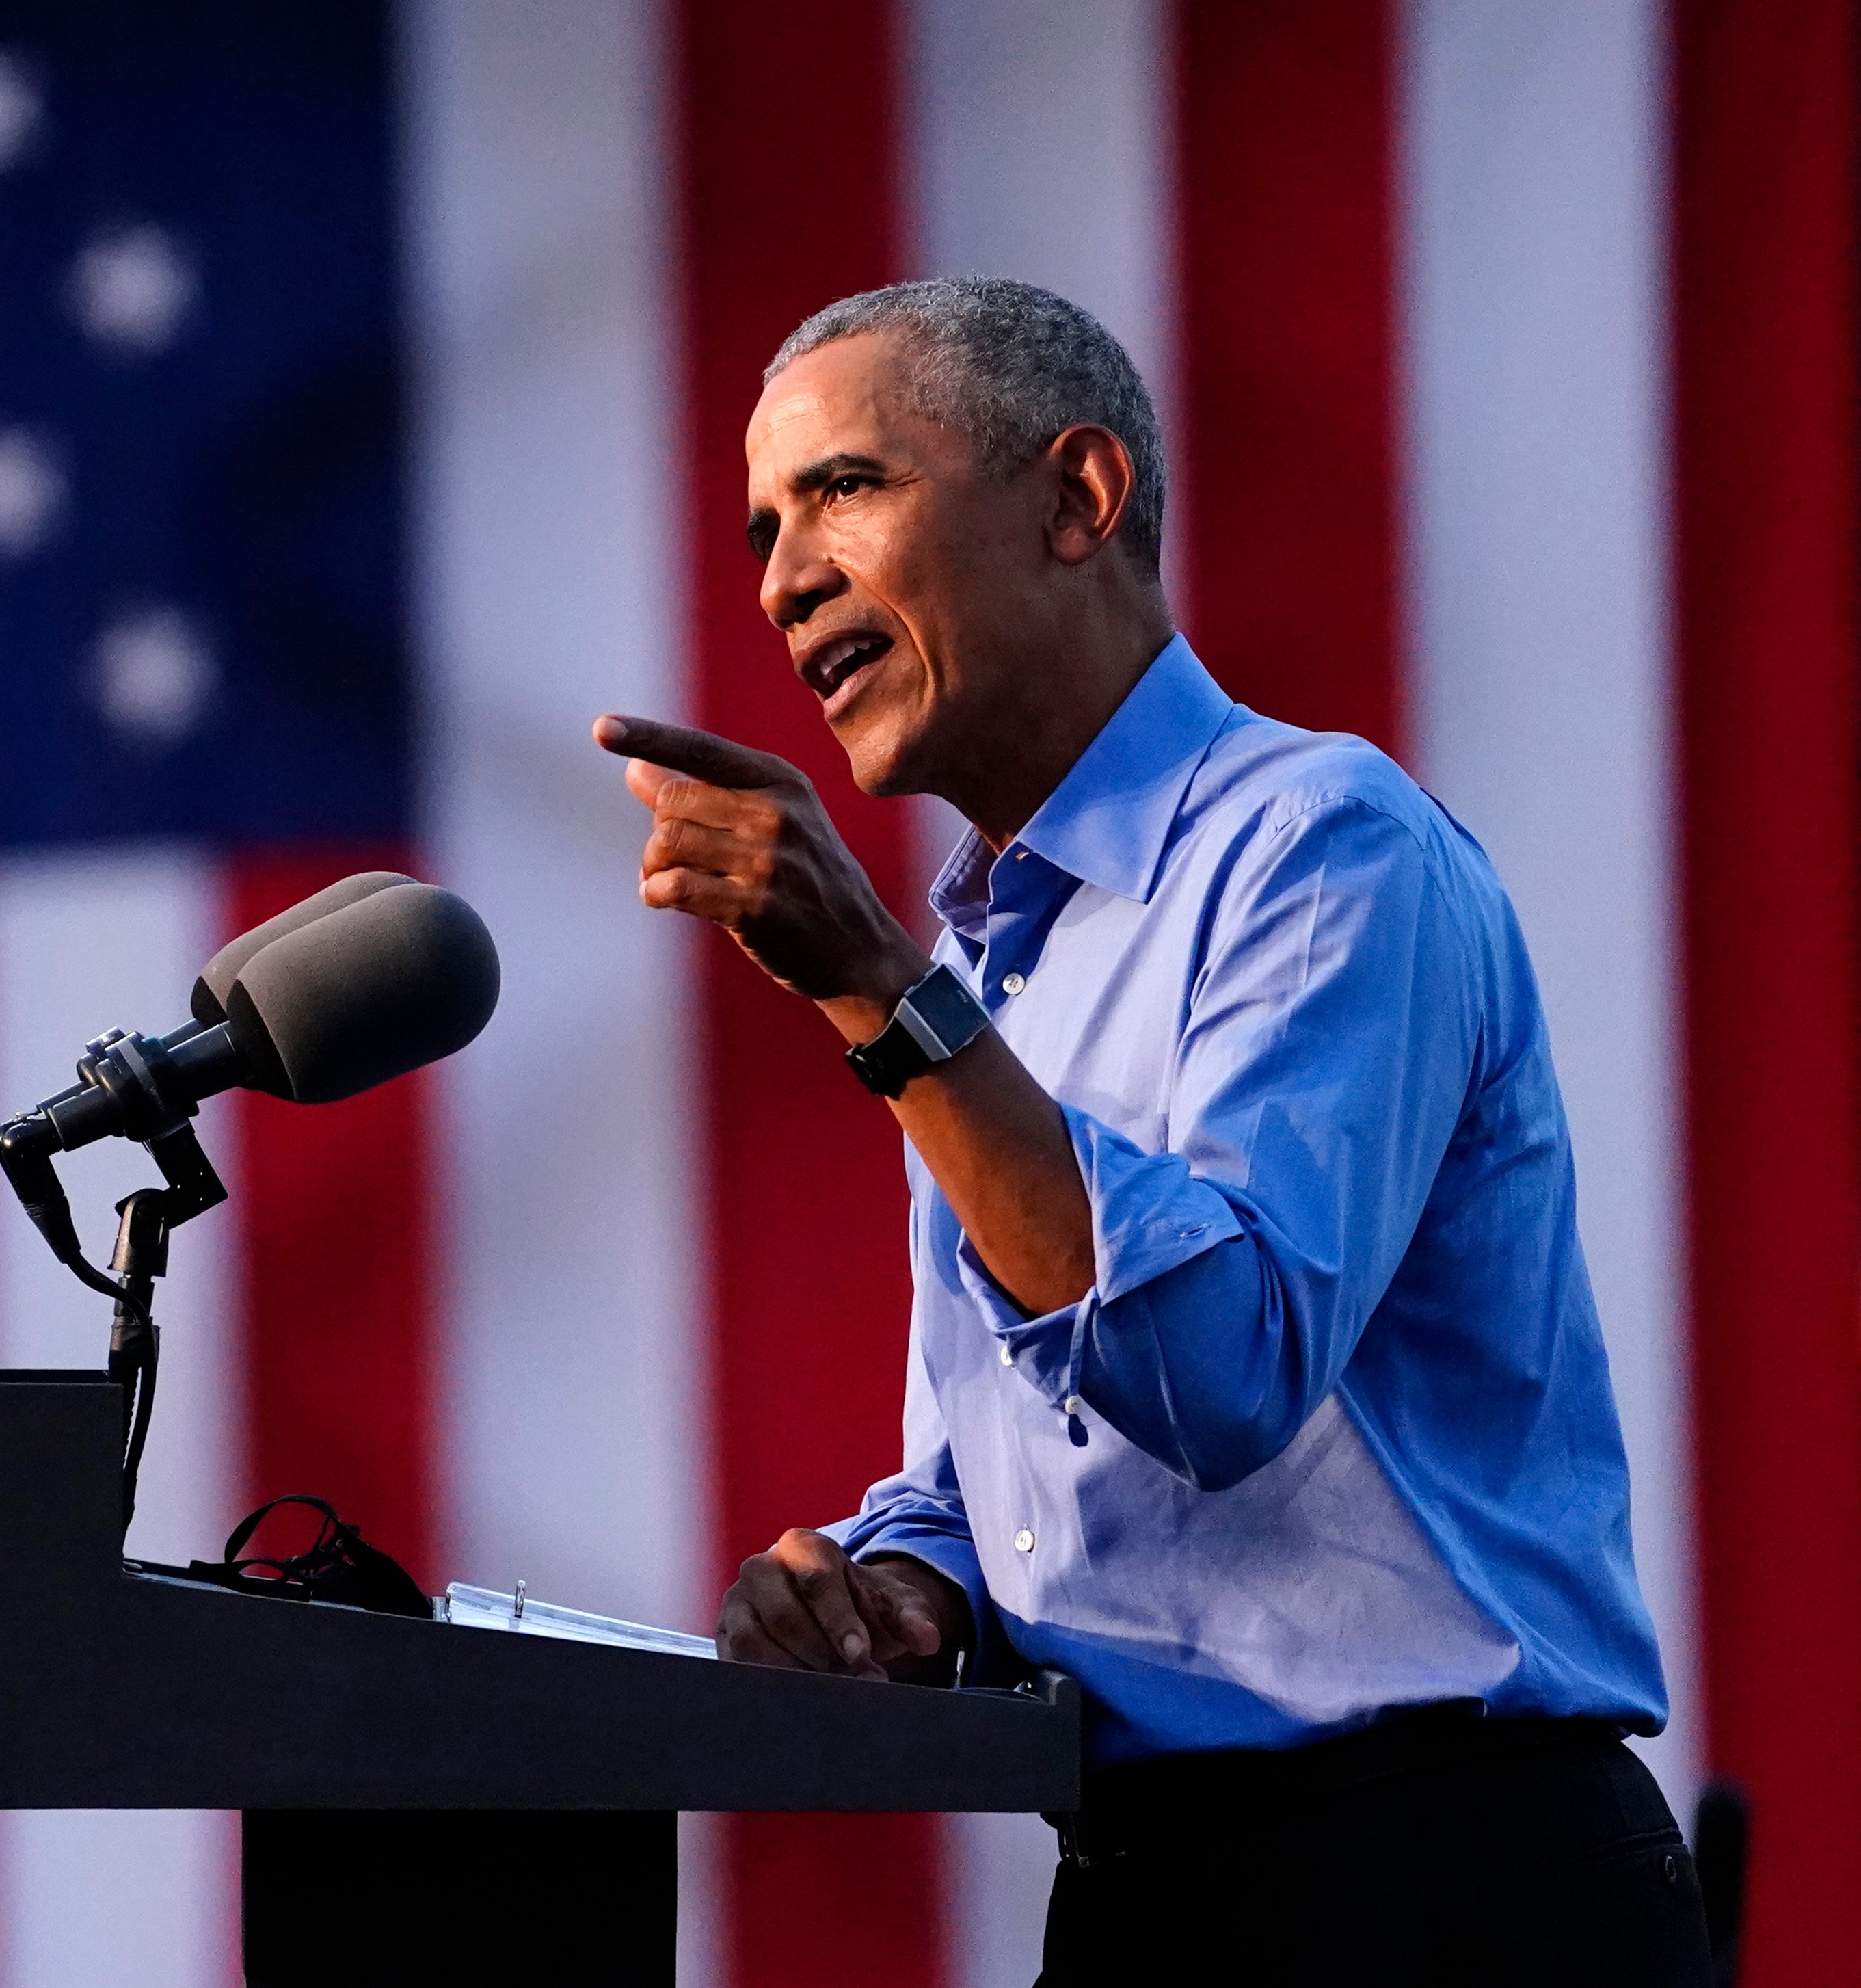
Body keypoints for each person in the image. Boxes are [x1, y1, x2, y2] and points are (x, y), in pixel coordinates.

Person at [595, 276, 1709, 1985]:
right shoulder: (983, 972)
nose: (780, 577)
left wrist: (889, 1001)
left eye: (843, 489)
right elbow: (996, 1476)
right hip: (1145, 1888)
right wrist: (912, 1595)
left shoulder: (1322, 847)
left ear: (1077, 497)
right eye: (761, 527)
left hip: (1435, 1886)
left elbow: (1223, 1367)